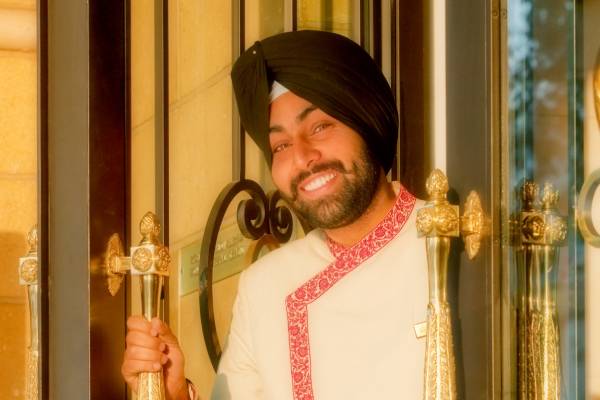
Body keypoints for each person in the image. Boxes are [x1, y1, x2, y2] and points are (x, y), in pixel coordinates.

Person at [122, 30, 428, 400]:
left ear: (365, 121)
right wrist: (173, 392)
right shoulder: (264, 287)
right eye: (280, 145)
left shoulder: (447, 242)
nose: (302, 157)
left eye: (320, 127)